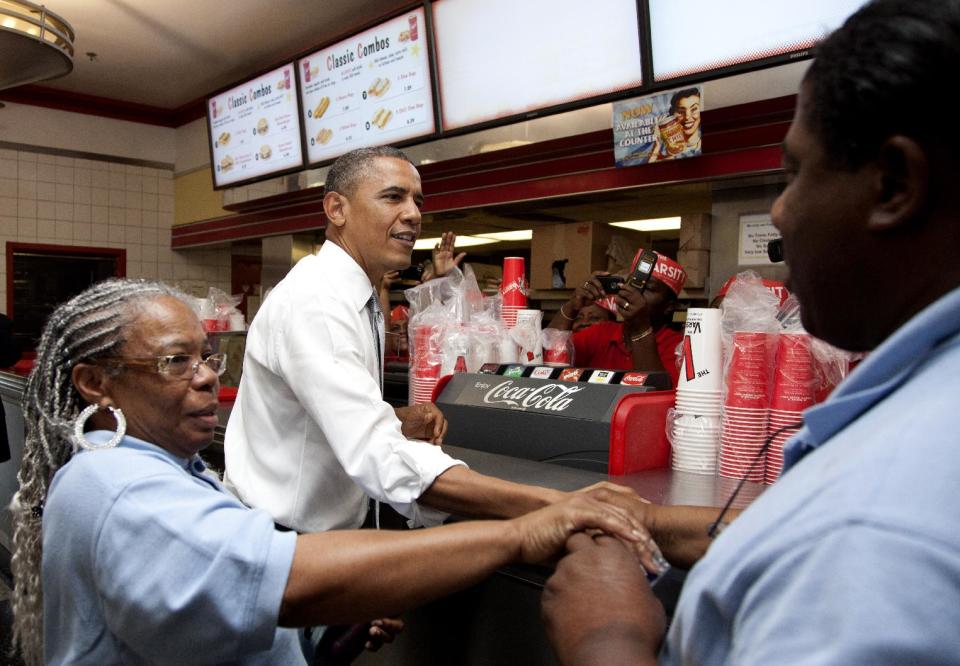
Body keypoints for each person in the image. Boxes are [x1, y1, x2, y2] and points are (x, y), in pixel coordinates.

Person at [542, 1, 960, 662]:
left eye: (795, 174)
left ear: (894, 184)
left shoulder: (875, 531)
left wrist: (605, 634)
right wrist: (650, 520)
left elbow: (852, 541)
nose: (779, 212)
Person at [8, 278, 662, 665]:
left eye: (208, 357)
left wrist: (327, 627)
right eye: (176, 362)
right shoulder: (117, 486)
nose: (207, 376)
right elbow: (287, 579)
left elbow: (204, 603)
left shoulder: (156, 466)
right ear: (96, 383)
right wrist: (524, 531)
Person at [224, 147, 656, 538]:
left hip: (313, 534)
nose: (413, 214)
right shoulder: (317, 302)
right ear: (337, 208)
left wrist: (392, 417)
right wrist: (558, 504)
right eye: (393, 197)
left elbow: (321, 413)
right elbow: (379, 457)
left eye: (418, 201)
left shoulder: (350, 296)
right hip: (282, 545)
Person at [547, 249, 685, 387]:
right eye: (633, 283)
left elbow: (657, 394)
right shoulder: (601, 333)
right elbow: (548, 357)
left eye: (648, 288)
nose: (636, 291)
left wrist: (640, 327)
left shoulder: (678, 347)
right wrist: (571, 306)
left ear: (669, 307)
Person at [648, 87, 702, 163]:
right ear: (672, 115)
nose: (687, 117)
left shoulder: (702, 148)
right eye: (681, 111)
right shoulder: (667, 153)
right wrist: (657, 144)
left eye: (694, 109)